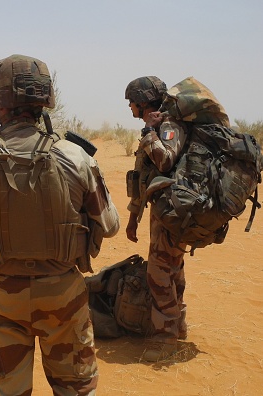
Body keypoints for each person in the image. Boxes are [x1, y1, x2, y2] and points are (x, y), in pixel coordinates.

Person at [0, 54, 120, 395]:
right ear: (44, 102)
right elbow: (111, 224)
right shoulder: (76, 157)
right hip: (63, 297)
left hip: (2, 299)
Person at [124, 76, 190, 362]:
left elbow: (164, 161)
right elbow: (143, 176)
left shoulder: (169, 126)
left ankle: (165, 340)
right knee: (171, 268)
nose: (130, 107)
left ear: (144, 101)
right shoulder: (154, 127)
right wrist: (133, 216)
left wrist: (151, 131)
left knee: (160, 273)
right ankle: (179, 326)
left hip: (173, 212)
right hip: (162, 211)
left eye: (132, 102)